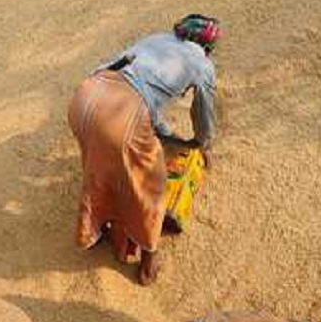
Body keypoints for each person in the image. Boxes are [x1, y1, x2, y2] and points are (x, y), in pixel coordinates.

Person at [69, 15, 220, 286]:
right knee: (150, 183)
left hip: (86, 97)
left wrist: (166, 134)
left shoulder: (158, 39)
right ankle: (150, 257)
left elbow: (140, 91)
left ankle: (93, 229)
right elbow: (204, 115)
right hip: (121, 114)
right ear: (208, 47)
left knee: (99, 165)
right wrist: (201, 144)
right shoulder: (202, 64)